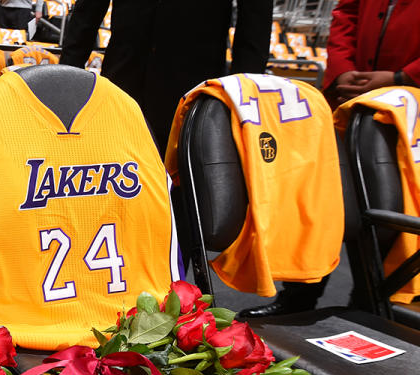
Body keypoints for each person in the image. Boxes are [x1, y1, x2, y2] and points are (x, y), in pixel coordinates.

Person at [240, 0, 420, 318]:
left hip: (409, 105)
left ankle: (370, 301)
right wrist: (341, 71)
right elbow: (346, 11)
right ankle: (299, 292)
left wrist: (403, 77)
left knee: (390, 208)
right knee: (318, 192)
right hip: (351, 92)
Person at [59, 0, 272, 153]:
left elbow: (255, 29)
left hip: (192, 101)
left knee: (181, 203)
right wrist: (66, 81)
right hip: (120, 89)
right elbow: (87, 13)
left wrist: (238, 103)